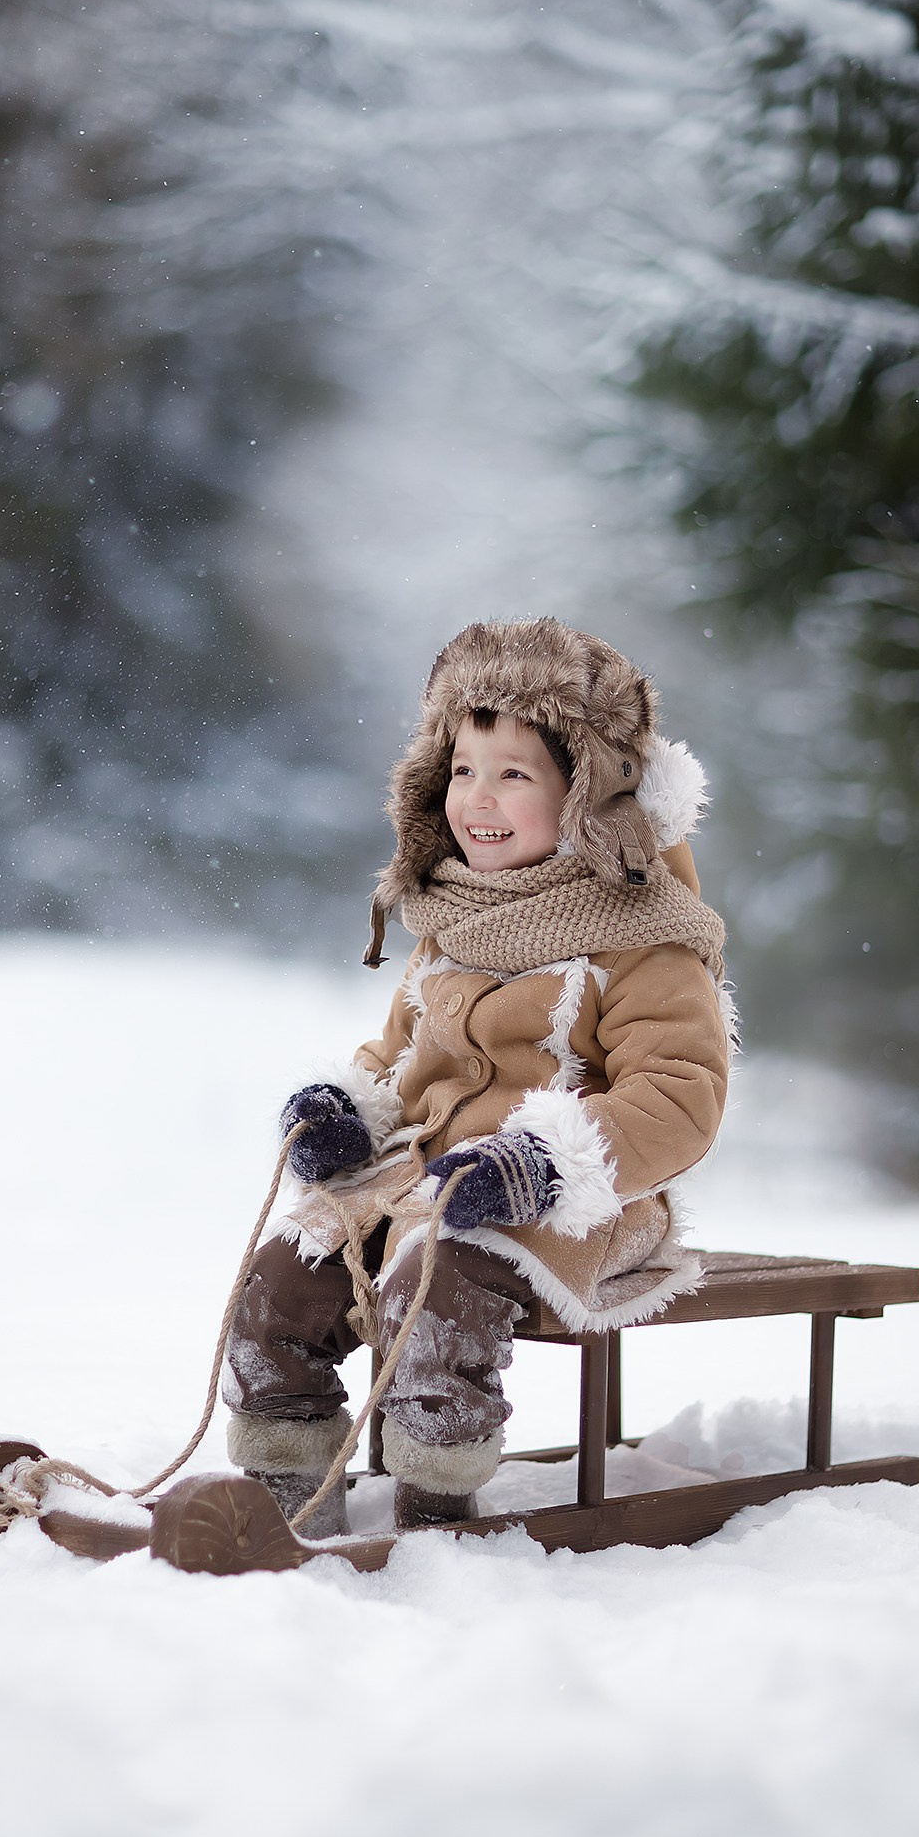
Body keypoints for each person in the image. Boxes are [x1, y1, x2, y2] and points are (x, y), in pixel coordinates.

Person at [221, 618, 732, 1535]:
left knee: (441, 1280)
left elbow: (680, 1094)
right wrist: (353, 1107)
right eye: (462, 770)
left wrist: (540, 1162)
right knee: (285, 1275)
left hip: (580, 1199)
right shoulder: (454, 919)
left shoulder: (646, 935)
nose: (478, 798)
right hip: (425, 1177)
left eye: (514, 774)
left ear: (586, 795)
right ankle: (287, 1484)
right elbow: (400, 1057)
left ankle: (436, 1497)